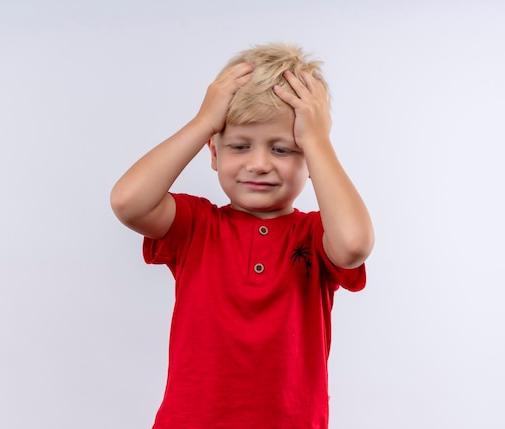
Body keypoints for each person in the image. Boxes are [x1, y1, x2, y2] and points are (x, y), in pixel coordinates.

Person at [110, 42, 374, 429]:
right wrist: (204, 121)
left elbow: (353, 246)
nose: (259, 164)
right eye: (239, 146)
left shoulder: (316, 234)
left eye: (283, 149)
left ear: (311, 161)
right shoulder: (195, 225)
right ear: (213, 154)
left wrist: (318, 140)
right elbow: (128, 202)